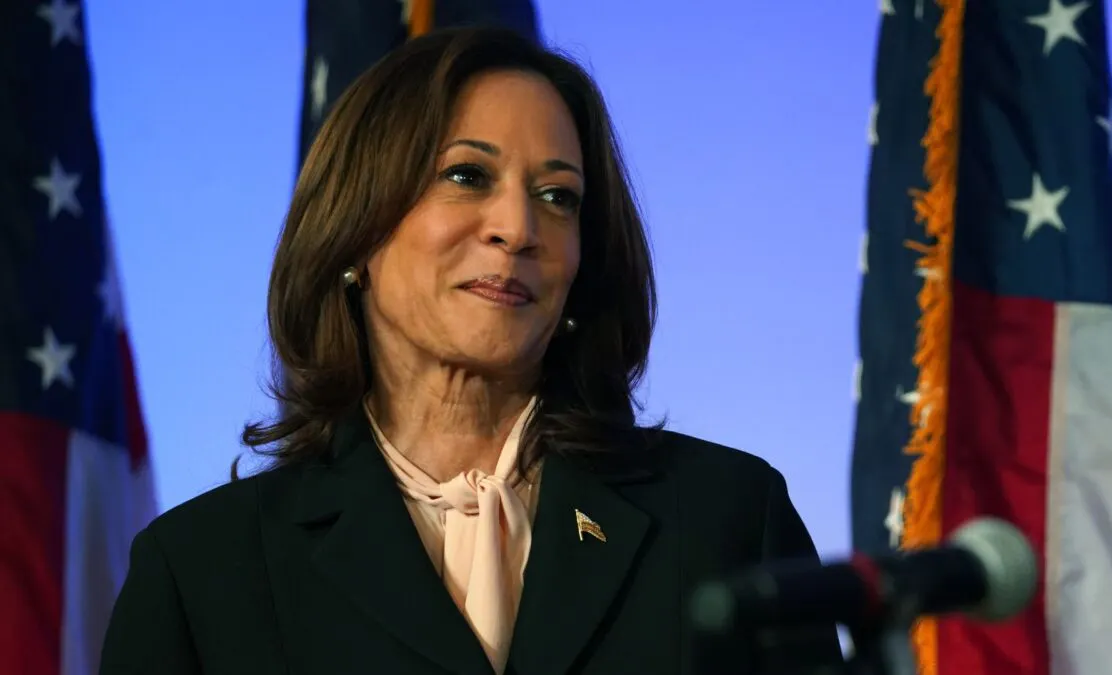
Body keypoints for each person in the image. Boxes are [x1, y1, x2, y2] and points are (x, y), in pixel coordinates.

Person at [99, 27, 841, 675]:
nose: (517, 227)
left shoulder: (727, 520)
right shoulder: (201, 572)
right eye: (467, 176)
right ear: (355, 230)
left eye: (558, 196)